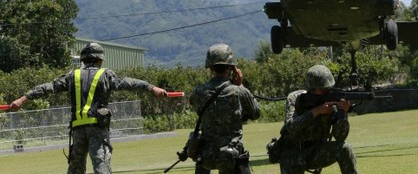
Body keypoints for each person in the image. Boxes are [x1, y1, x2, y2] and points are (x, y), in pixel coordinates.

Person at [9, 41, 168, 174]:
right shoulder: (105, 75)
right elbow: (129, 83)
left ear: (83, 60)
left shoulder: (72, 75)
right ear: (99, 60)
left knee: (76, 169)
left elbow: (47, 87)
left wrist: (22, 99)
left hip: (78, 130)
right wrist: (151, 87)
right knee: (101, 166)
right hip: (97, 128)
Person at [188, 43, 261, 174]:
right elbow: (256, 113)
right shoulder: (239, 91)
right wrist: (241, 85)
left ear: (210, 68)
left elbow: (194, 104)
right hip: (231, 156)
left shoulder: (198, 92)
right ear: (232, 68)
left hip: (206, 157)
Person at [279, 64, 358, 174]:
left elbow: (340, 137)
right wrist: (316, 111)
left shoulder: (333, 100)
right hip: (293, 154)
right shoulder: (295, 98)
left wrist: (343, 113)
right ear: (311, 88)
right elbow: (290, 127)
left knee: (345, 149)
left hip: (316, 152)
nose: (326, 91)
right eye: (322, 88)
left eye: (328, 87)